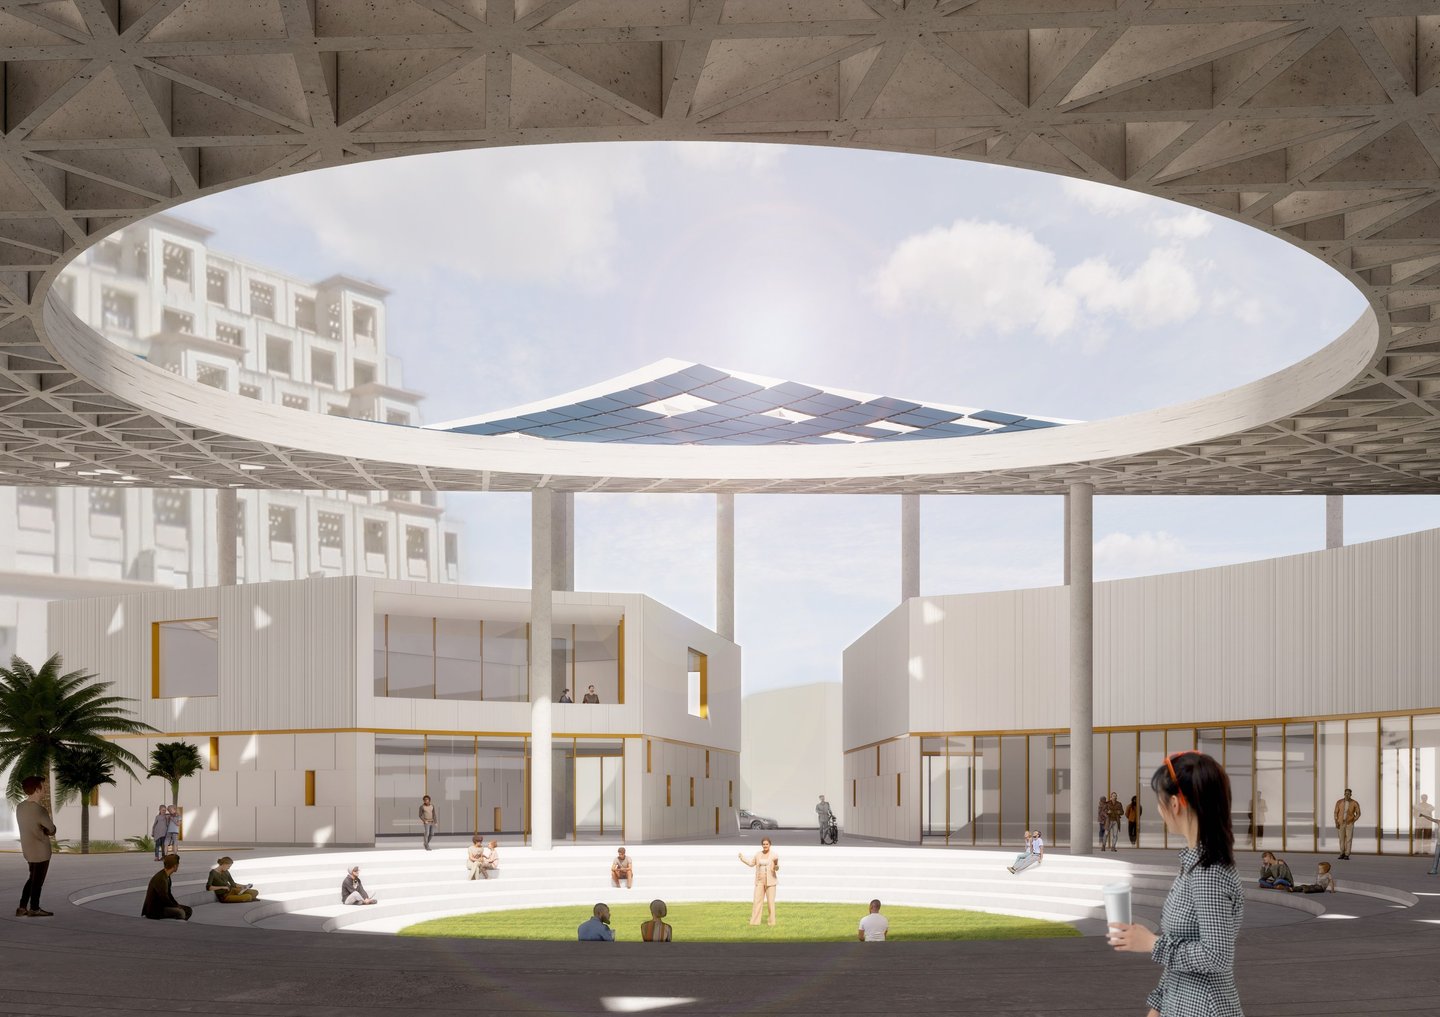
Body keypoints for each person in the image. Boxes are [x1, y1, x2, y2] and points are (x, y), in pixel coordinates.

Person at [1108, 750, 1244, 1017]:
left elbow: (1217, 956)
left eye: (1159, 802)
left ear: (1174, 803)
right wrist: (1158, 1004)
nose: (1159, 810)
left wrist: (1152, 943)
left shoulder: (1207, 873)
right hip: (1182, 1005)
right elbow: (1182, 948)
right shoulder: (1195, 864)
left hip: (1204, 1009)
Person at [16, 775, 56, 918]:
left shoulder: (20, 807)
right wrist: (46, 830)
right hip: (41, 851)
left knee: (32, 878)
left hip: (28, 850)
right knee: (37, 882)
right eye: (43, 786)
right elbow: (52, 829)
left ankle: (22, 907)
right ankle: (34, 908)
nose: (45, 789)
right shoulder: (40, 810)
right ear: (37, 789)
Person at [739, 836, 779, 926]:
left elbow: (776, 868)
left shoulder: (774, 855)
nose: (765, 846)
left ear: (770, 845)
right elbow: (751, 864)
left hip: (771, 882)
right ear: (762, 845)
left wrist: (776, 866)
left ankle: (771, 922)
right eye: (763, 844)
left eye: (767, 844)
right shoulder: (758, 854)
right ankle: (754, 922)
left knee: (770, 903)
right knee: (757, 901)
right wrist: (742, 858)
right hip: (760, 881)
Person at [141, 855, 192, 921]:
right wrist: (175, 907)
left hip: (162, 905)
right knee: (180, 912)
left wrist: (176, 905)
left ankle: (180, 924)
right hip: (154, 910)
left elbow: (169, 894)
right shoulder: (161, 878)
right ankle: (177, 926)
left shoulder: (166, 876)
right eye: (178, 864)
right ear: (175, 866)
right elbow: (164, 897)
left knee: (188, 910)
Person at [1334, 788, 1360, 859]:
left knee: (1348, 839)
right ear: (1344, 794)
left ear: (1351, 794)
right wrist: (1336, 822)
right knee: (1341, 839)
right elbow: (1335, 813)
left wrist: (1353, 820)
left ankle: (1347, 854)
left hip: (1349, 823)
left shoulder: (1354, 803)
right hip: (1340, 822)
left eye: (1348, 794)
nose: (1347, 795)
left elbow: (1358, 813)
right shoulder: (1339, 802)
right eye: (1346, 793)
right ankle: (1342, 853)